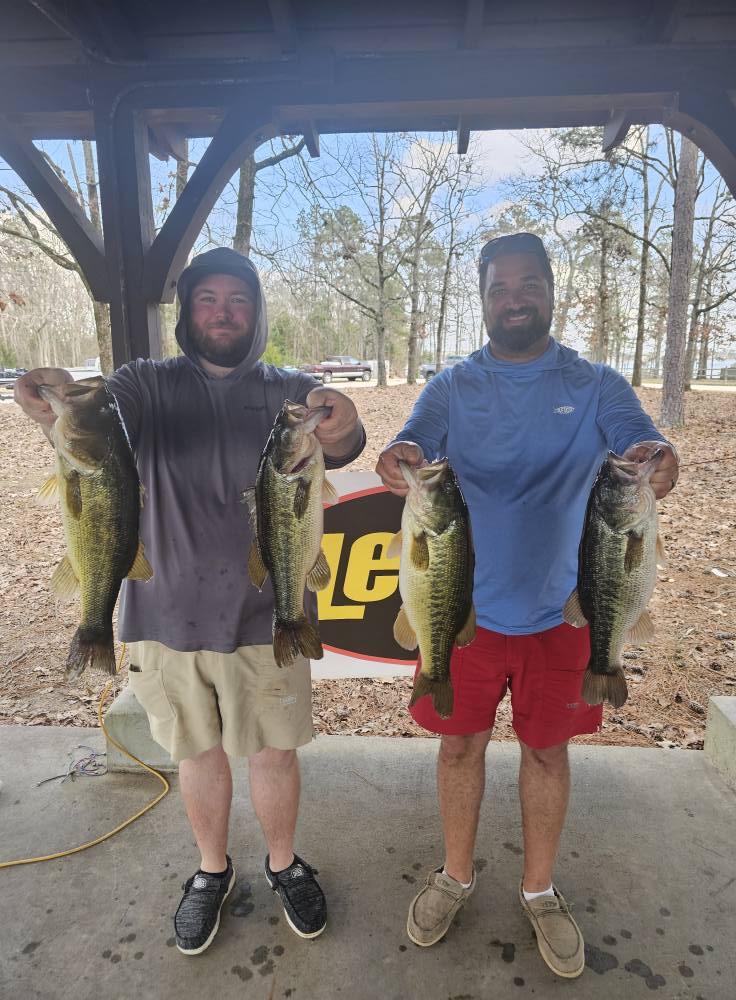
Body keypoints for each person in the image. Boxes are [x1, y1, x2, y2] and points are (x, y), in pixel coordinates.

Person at [16, 247, 365, 955]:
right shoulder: (145, 383)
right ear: (187, 313)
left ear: (255, 313)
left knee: (274, 754)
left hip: (267, 617)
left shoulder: (289, 393)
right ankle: (211, 871)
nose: (223, 312)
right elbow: (96, 421)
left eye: (239, 300)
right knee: (199, 755)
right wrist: (51, 400)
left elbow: (345, 439)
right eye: (208, 298)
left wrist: (342, 421)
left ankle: (283, 863)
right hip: (163, 615)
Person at [375, 232, 678, 979]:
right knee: (458, 748)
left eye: (528, 284)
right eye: (499, 288)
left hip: (564, 614)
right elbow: (412, 443)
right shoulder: (451, 387)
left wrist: (658, 462)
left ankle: (539, 889)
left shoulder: (596, 383)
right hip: (461, 613)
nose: (515, 299)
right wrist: (398, 457)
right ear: (482, 300)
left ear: (550, 290)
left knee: (547, 752)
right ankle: (455, 875)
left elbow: (645, 447)